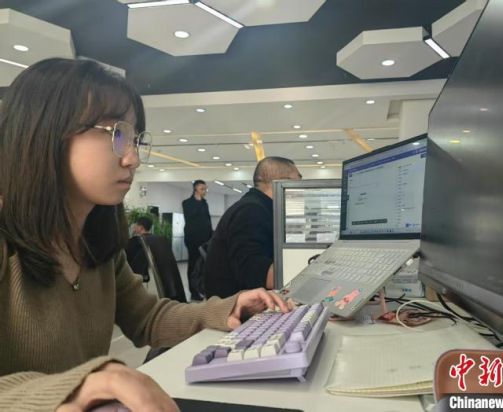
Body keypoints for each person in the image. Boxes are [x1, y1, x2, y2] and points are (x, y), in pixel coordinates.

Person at [0, 58, 290, 411]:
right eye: (116, 134)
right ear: (44, 132)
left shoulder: (95, 244)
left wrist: (230, 307)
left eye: (135, 139)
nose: (133, 159)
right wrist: (77, 386)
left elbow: (147, 318)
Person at [204, 157, 302, 299]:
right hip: (235, 307)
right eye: (298, 181)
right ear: (283, 182)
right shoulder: (251, 210)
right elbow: (255, 274)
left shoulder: (259, 207)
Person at [182, 179, 212, 300]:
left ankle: (202, 289)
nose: (204, 191)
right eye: (202, 189)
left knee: (203, 265)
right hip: (193, 239)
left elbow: (207, 220)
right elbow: (191, 217)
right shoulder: (187, 203)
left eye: (205, 189)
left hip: (205, 239)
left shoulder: (205, 203)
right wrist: (198, 201)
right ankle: (193, 292)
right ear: (195, 189)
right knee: (193, 265)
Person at [125, 216, 153, 282]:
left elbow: (124, 256)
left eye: (136, 225)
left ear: (141, 228)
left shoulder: (133, 241)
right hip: (144, 274)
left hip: (131, 275)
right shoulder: (152, 241)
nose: (134, 227)